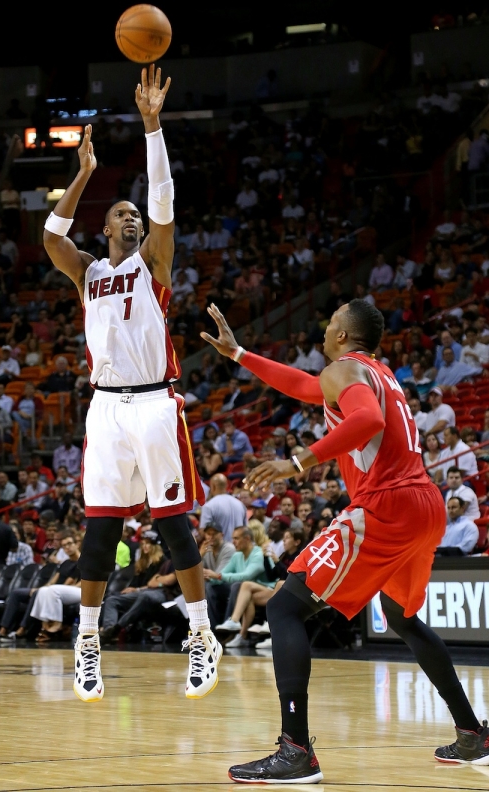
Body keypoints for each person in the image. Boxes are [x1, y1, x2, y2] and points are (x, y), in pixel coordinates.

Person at [201, 298, 488, 782]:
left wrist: (297, 463)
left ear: (341, 335)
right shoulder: (376, 372)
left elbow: (368, 421)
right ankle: (472, 733)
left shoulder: (344, 369)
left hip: (388, 505)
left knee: (284, 607)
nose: (325, 322)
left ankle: (296, 752)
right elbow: (305, 386)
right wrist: (240, 354)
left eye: (330, 318)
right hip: (425, 505)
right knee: (404, 617)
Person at [42, 65, 220, 704]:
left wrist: (153, 127)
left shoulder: (155, 268)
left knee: (173, 527)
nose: (132, 219)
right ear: (106, 227)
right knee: (101, 532)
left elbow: (166, 201)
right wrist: (84, 175)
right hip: (106, 413)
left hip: (154, 404)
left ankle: (202, 634)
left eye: (135, 214)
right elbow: (51, 235)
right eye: (120, 213)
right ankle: (86, 643)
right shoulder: (88, 273)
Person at [199, 473, 247, 542]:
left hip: (220, 550)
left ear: (213, 486)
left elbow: (203, 532)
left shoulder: (209, 506)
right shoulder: (240, 504)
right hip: (239, 549)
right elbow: (245, 530)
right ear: (226, 486)